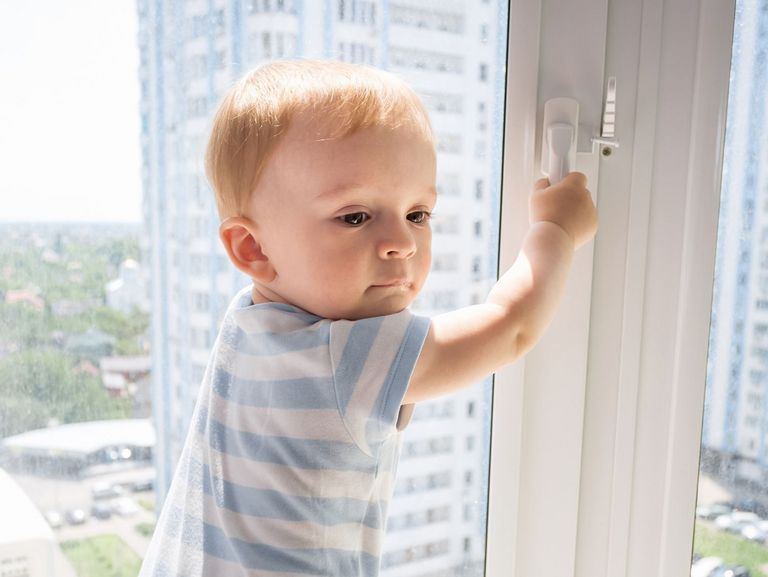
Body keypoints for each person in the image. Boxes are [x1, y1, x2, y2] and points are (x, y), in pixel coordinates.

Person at [139, 59, 597, 577]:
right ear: (253, 247)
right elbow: (510, 327)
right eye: (355, 216)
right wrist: (556, 230)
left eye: (417, 215)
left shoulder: (246, 321)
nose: (401, 243)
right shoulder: (346, 358)